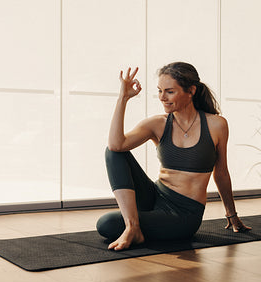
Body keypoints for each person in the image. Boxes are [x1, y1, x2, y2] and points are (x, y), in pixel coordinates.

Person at [96, 62, 251, 251]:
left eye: (169, 91)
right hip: (155, 195)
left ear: (191, 91)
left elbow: (221, 173)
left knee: (107, 223)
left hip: (184, 214)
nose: (162, 97)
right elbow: (116, 144)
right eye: (160, 91)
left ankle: (135, 227)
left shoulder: (216, 125)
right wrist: (123, 98)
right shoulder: (158, 124)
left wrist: (231, 215)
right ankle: (132, 227)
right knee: (113, 152)